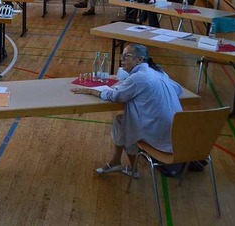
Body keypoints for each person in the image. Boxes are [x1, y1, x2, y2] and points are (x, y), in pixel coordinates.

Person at [71, 44, 183, 177]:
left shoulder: (139, 77)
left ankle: (132, 168)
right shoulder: (159, 72)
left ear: (140, 60)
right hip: (177, 133)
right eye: (122, 56)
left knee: (127, 123)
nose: (122, 60)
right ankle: (116, 161)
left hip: (160, 136)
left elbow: (114, 96)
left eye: (127, 56)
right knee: (122, 121)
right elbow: (178, 89)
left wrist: (90, 90)